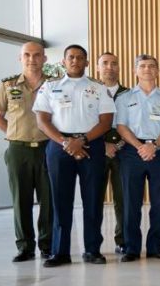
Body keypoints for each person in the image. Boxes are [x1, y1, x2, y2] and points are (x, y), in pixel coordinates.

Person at [32, 45, 115, 267]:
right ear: (63, 61)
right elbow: (42, 121)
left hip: (91, 145)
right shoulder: (49, 87)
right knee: (60, 201)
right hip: (59, 147)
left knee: (93, 199)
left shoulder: (98, 88)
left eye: (80, 58)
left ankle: (92, 250)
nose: (75, 61)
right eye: (71, 57)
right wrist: (65, 142)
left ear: (87, 63)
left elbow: (106, 122)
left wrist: (82, 141)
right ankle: (60, 252)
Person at [0, 41, 54, 262]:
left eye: (37, 55)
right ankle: (25, 247)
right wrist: (15, 132)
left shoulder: (54, 85)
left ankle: (47, 245)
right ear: (20, 58)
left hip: (48, 148)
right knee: (21, 200)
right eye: (27, 55)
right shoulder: (8, 85)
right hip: (18, 150)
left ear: (44, 59)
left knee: (49, 199)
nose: (32, 59)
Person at [114, 54, 160, 261]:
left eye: (152, 66)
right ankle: (131, 247)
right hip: (132, 152)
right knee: (131, 202)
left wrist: (155, 145)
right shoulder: (125, 98)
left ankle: (155, 246)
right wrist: (141, 146)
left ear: (158, 71)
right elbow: (121, 126)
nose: (147, 69)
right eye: (142, 66)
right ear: (135, 70)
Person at [96, 52, 127, 255]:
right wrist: (103, 144)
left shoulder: (130, 94)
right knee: (94, 199)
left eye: (114, 63)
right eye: (105, 63)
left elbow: (136, 123)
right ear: (98, 67)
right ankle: (93, 244)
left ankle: (123, 240)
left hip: (124, 152)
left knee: (124, 199)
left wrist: (119, 144)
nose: (109, 67)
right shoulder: (90, 91)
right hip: (96, 152)